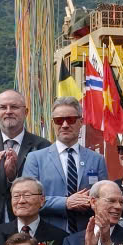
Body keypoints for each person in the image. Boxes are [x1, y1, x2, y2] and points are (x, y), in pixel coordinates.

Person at [21, 99, 105, 231]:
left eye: (70, 119)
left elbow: (104, 199)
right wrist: (65, 202)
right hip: (48, 234)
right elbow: (27, 199)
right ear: (53, 123)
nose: (65, 125)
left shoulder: (97, 159)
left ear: (81, 122)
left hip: (86, 234)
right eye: (59, 120)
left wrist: (92, 202)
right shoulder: (35, 159)